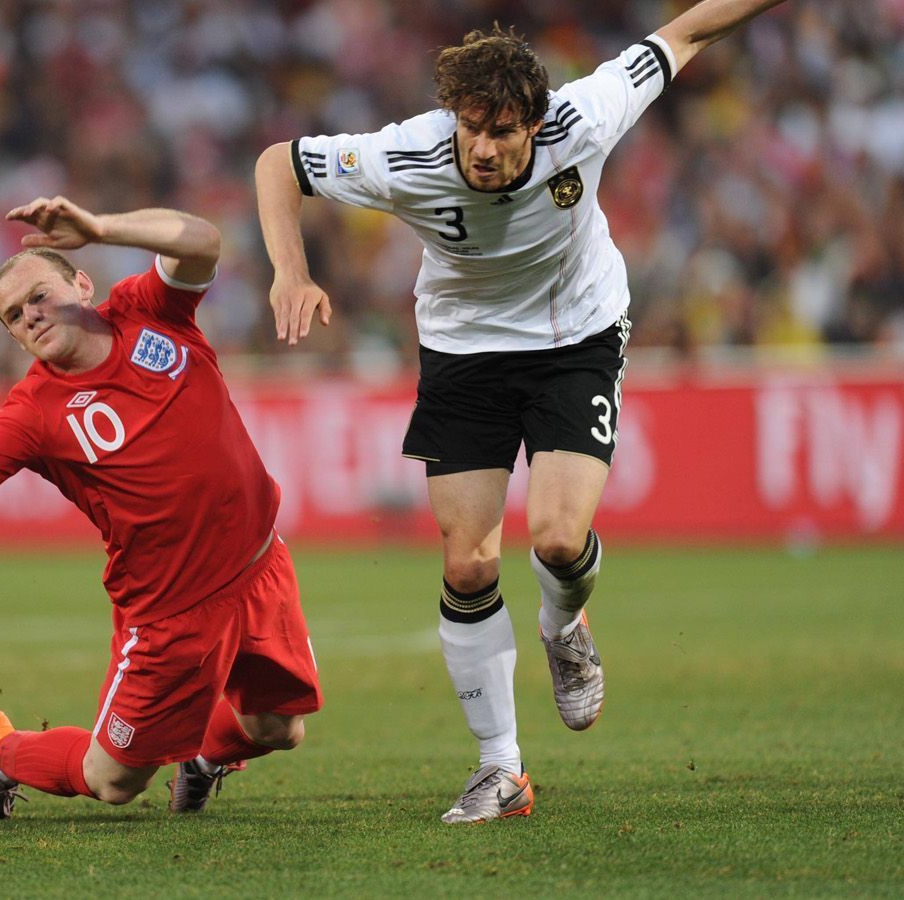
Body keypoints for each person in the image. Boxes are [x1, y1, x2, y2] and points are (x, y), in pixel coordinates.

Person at [254, 0, 789, 823]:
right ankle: (500, 769)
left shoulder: (588, 114)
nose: (487, 148)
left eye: (506, 132)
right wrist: (290, 271)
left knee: (557, 539)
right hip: (465, 350)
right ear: (455, 119)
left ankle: (563, 627)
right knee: (467, 564)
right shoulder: (404, 155)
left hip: (576, 334)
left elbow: (687, 31)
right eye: (474, 128)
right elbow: (278, 163)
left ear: (539, 125)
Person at [0, 198, 323, 818]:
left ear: (82, 282)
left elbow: (203, 241)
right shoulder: (33, 412)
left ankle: (200, 759)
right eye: (13, 316)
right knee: (113, 781)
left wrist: (103, 228)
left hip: (258, 566)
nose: (29, 315)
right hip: (171, 611)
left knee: (277, 728)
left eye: (38, 296)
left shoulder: (148, 310)